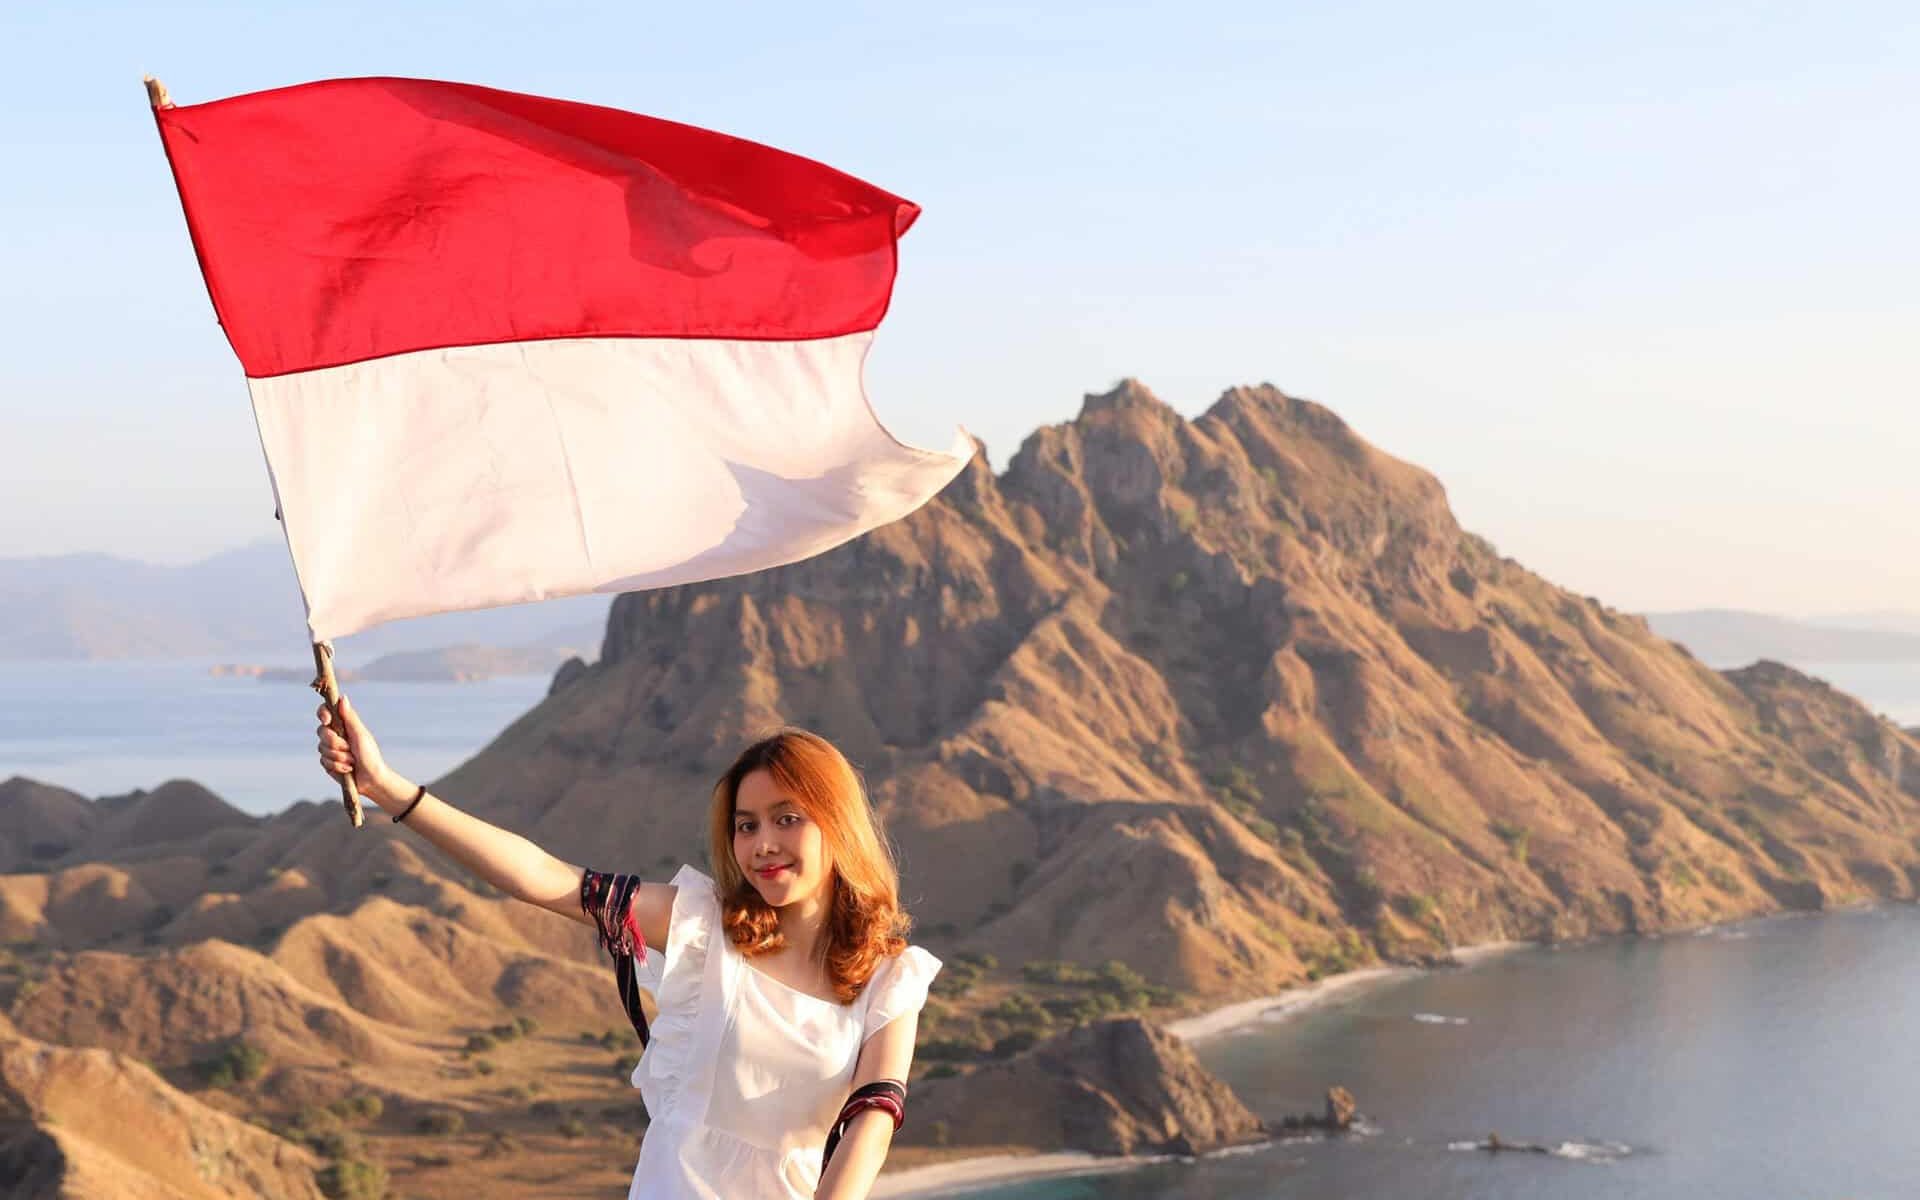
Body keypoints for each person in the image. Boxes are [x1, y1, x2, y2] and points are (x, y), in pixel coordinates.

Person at [316, 697, 942, 1200]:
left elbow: (873, 1116)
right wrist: (389, 788)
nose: (762, 843)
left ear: (836, 821)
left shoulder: (890, 977)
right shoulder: (703, 927)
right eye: (746, 825)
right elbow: (543, 878)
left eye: (786, 817)